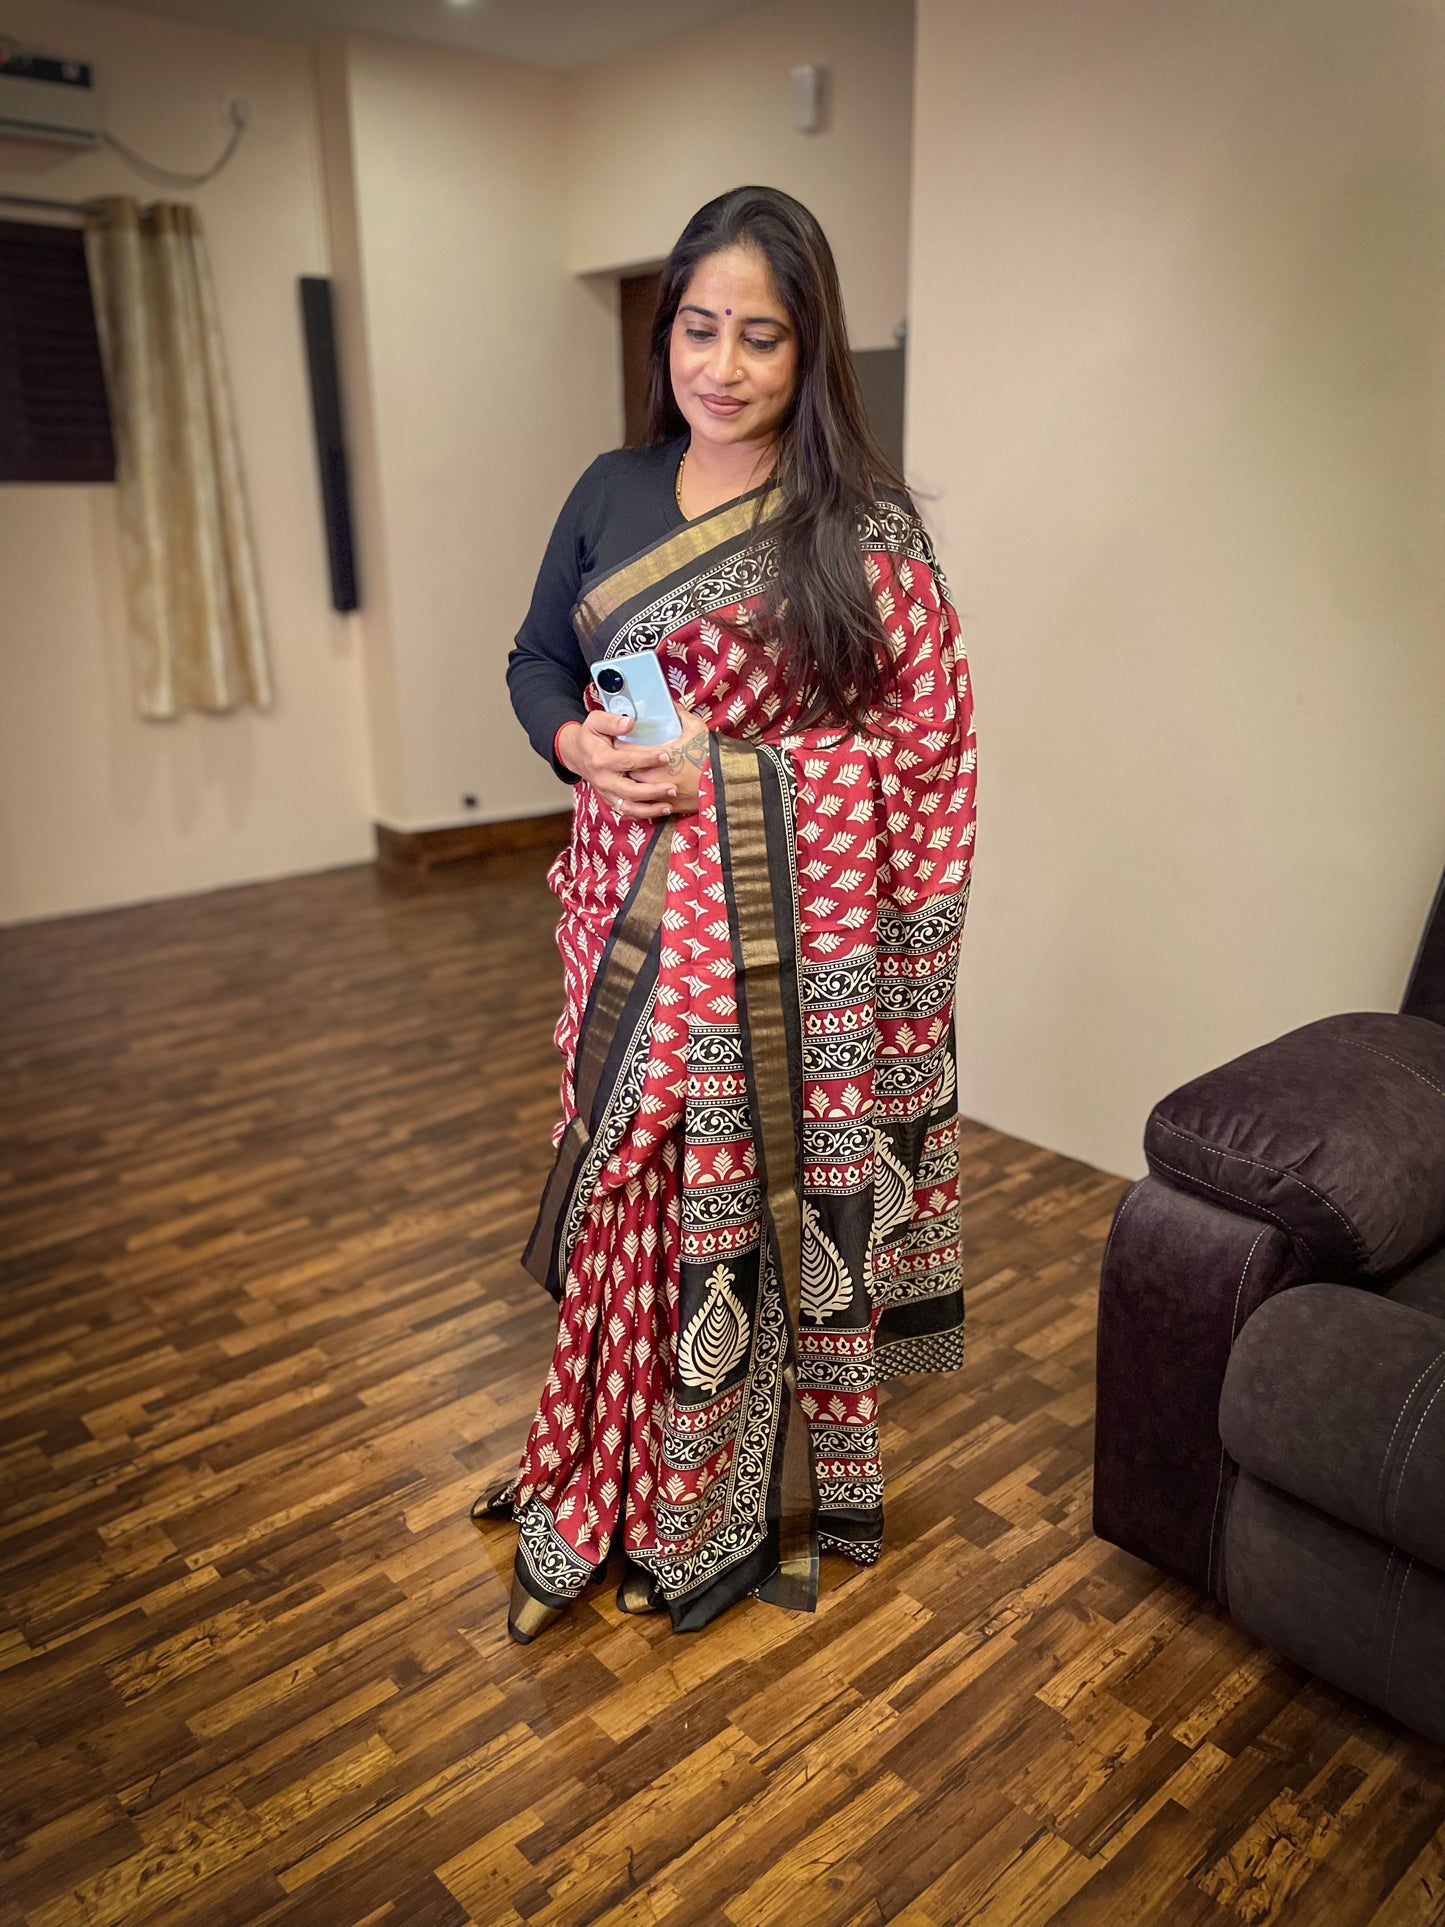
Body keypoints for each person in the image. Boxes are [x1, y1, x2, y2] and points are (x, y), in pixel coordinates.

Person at [481, 184, 978, 1642]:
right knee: (624, 1202)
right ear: (666, 336)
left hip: (772, 950)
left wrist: (732, 772)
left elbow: (922, 750)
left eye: (760, 336)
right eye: (698, 328)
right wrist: (577, 746)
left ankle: (704, 1509)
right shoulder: (609, 490)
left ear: (808, 350)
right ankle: (601, 1473)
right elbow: (533, 660)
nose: (722, 364)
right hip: (618, 919)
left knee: (725, 1208)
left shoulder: (861, 528)